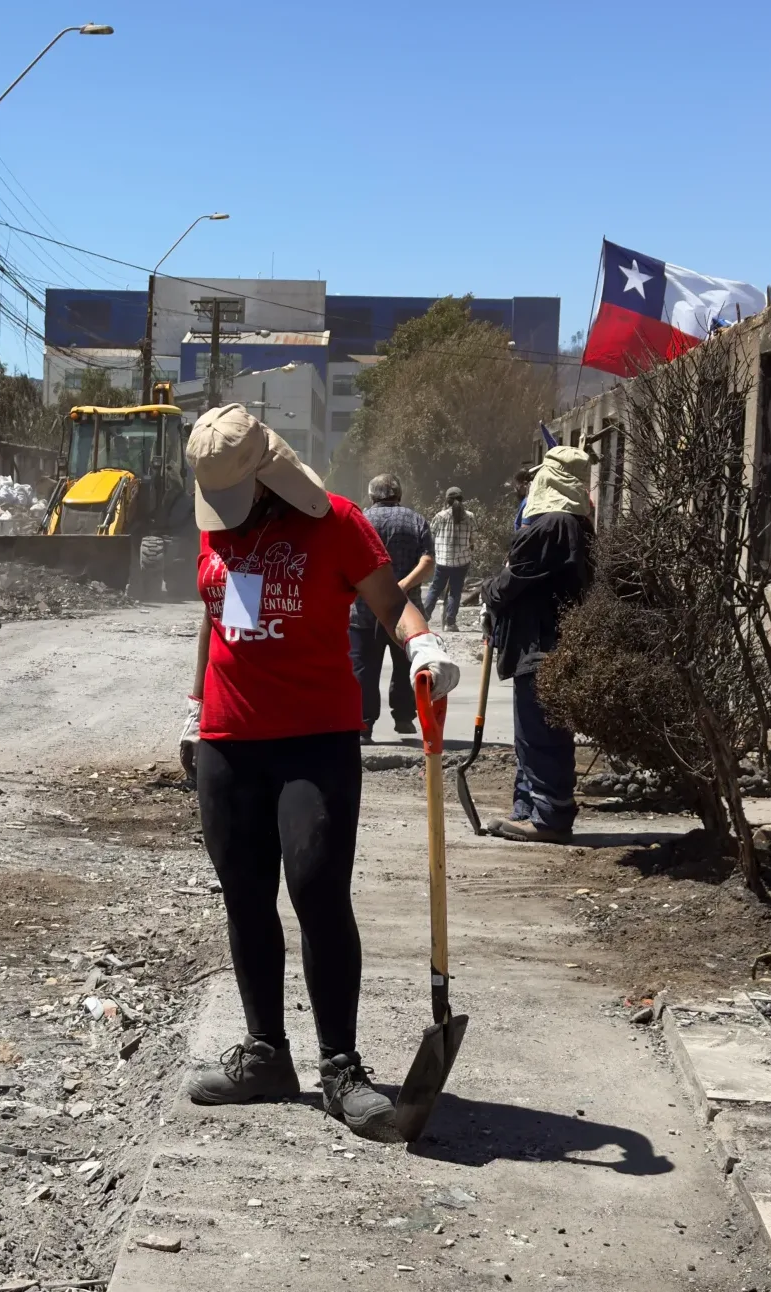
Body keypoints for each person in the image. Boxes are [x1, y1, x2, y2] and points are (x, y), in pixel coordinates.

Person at [174, 406, 459, 1142]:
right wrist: (193, 708)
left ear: (265, 476)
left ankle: (340, 1067)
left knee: (316, 890)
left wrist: (422, 649)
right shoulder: (219, 526)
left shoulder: (337, 523)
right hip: (229, 740)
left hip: (315, 739)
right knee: (245, 896)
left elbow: (390, 603)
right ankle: (266, 1054)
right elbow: (217, 615)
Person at [479, 444, 595, 844]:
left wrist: (489, 590)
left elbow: (511, 582)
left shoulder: (552, 527)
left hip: (541, 645)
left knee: (541, 733)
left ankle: (549, 816)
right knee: (534, 733)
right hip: (552, 643)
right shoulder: (575, 525)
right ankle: (528, 807)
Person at [347, 474, 434, 740]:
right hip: (406, 612)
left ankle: (364, 724)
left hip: (364, 611)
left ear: (372, 495)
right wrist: (403, 585)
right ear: (399, 494)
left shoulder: (360, 521)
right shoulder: (416, 520)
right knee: (406, 664)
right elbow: (428, 562)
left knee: (364, 668)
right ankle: (404, 717)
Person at [424, 486, 475, 630]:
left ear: (447, 500)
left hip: (442, 561)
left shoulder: (440, 516)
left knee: (435, 589)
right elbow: (473, 539)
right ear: (462, 500)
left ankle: (423, 618)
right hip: (462, 561)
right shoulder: (470, 516)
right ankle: (450, 623)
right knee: (455, 591)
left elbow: (431, 536)